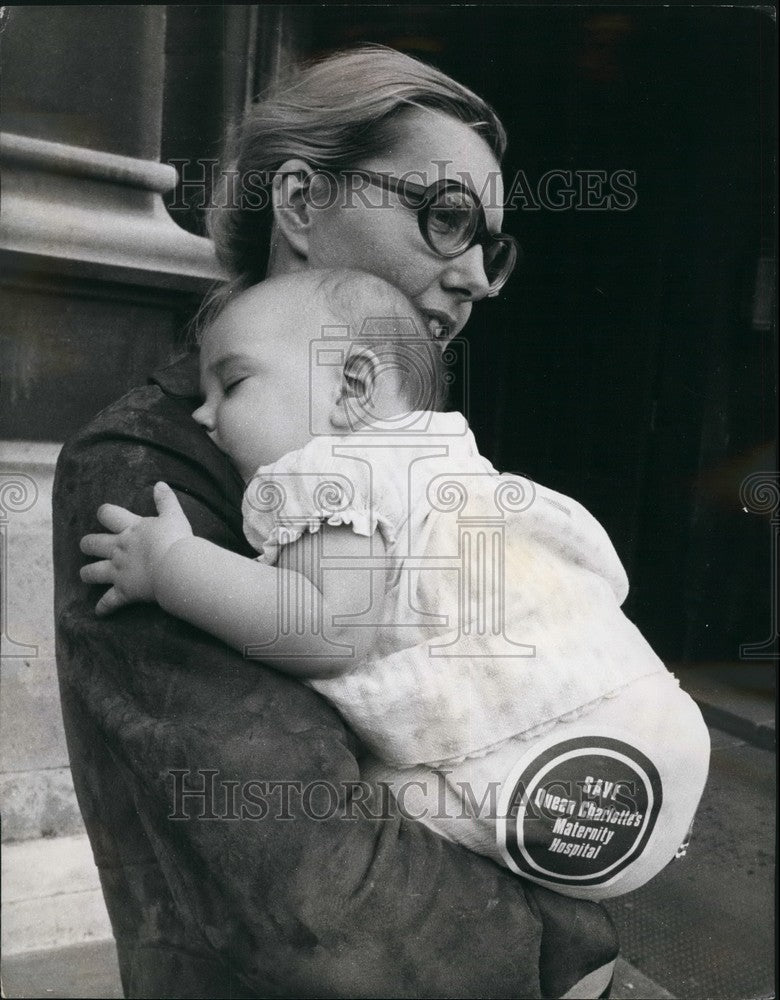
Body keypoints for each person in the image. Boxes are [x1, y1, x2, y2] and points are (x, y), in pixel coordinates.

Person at [54, 45, 621, 997]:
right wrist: (572, 936)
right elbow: (316, 898)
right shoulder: (152, 467)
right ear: (302, 205)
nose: (479, 275)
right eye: (447, 219)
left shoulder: (396, 450)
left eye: (492, 242)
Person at [80, 268, 710, 902]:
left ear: (352, 385)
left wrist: (173, 568)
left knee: (356, 806)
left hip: (519, 764)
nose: (203, 414)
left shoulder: (332, 473)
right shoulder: (449, 460)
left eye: (233, 383)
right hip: (648, 728)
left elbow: (323, 631)